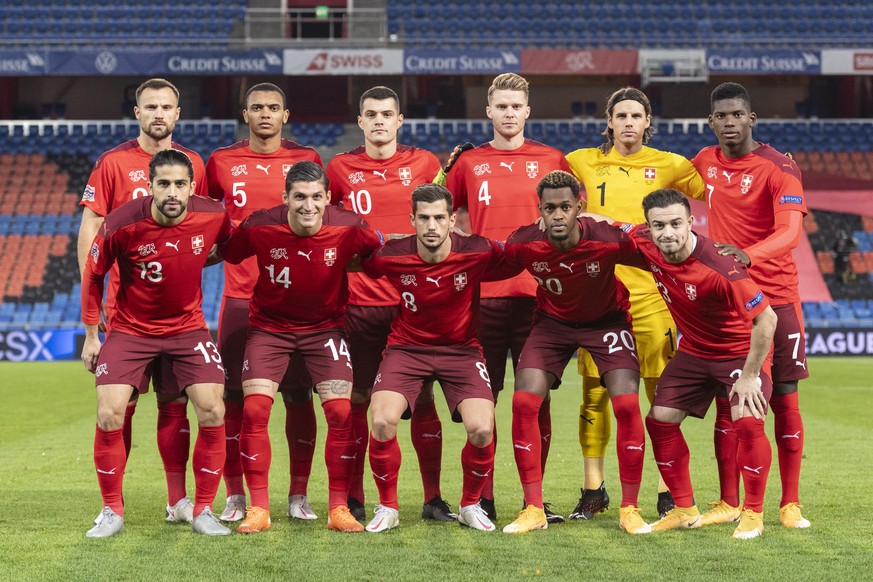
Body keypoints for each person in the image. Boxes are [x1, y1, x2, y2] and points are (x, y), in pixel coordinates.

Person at [218, 161, 383, 534]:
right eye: (299, 197)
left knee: (342, 412)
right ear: (285, 198)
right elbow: (228, 252)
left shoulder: (350, 226)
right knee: (256, 407)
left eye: (315, 197)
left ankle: (338, 507)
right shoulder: (260, 225)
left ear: (327, 198)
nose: (308, 206)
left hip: (325, 330)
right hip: (269, 329)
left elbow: (378, 255)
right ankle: (258, 508)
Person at [564, 87, 706, 520]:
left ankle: (667, 490)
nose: (628, 122)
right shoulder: (578, 161)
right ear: (609, 120)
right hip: (598, 298)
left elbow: (714, 188)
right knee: (594, 395)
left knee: (661, 395)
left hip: (652, 296)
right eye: (621, 115)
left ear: (648, 122)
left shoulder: (672, 164)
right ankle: (594, 490)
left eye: (636, 116)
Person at [605, 188, 778, 539]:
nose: (667, 233)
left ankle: (753, 514)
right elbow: (603, 222)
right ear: (648, 226)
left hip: (738, 351)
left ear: (690, 222)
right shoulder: (646, 241)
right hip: (695, 352)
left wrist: (749, 377)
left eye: (674, 224)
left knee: (747, 421)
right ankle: (684, 508)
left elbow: (767, 319)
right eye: (658, 225)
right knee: (660, 421)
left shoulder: (720, 266)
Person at [80, 149, 232, 537]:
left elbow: (230, 246)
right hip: (131, 330)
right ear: (149, 186)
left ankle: (201, 510)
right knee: (111, 412)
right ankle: (112, 510)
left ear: (191, 186)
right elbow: (94, 274)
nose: (172, 191)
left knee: (213, 408)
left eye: (180, 184)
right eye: (163, 183)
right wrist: (92, 334)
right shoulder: (121, 223)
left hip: (188, 330)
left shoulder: (213, 214)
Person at [77, 78, 209, 524]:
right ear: (137, 112)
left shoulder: (193, 163)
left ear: (178, 113)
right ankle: (112, 506)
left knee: (176, 404)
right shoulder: (112, 164)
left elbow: (202, 230)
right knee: (119, 408)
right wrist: (91, 326)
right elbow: (91, 240)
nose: (158, 113)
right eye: (150, 106)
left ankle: (177, 501)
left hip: (182, 318)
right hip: (126, 314)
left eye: (166, 106)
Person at [444, 73, 572, 522]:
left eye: (516, 106)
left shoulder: (552, 159)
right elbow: (446, 218)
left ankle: (532, 500)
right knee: (484, 400)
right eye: (501, 106)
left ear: (527, 111)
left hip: (541, 299)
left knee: (536, 401)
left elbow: (571, 218)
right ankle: (483, 498)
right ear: (489, 111)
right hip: (483, 298)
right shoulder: (468, 162)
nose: (509, 113)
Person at [325, 86, 453, 522]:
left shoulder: (426, 165)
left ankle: (433, 498)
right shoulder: (339, 169)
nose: (379, 121)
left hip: (413, 304)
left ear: (400, 120)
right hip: (359, 303)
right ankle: (357, 497)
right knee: (358, 399)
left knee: (423, 400)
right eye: (370, 114)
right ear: (359, 122)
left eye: (387, 114)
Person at [498, 171, 649, 535]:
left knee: (627, 405)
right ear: (540, 210)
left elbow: (656, 256)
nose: (558, 215)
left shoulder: (607, 240)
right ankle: (533, 508)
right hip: (552, 324)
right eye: (550, 208)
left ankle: (630, 508)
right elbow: (484, 266)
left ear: (580, 207)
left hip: (608, 322)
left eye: (566, 206)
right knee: (523, 402)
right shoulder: (524, 243)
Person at [690, 82, 810, 529]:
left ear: (751, 119)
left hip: (778, 297)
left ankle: (790, 502)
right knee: (732, 402)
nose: (729, 123)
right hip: (729, 301)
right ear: (711, 122)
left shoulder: (779, 167)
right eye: (721, 116)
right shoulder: (704, 162)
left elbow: (790, 234)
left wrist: (749, 254)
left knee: (784, 398)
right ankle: (728, 501)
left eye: (737, 115)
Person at [205, 83, 324, 523]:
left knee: (298, 397)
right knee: (234, 400)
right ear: (245, 114)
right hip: (238, 298)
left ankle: (298, 495)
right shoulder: (220, 161)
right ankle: (236, 495)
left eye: (273, 108)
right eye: (257, 108)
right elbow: (202, 213)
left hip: (296, 304)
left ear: (286, 114)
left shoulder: (307, 160)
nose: (265, 115)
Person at [360, 184, 502, 533]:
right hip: (406, 349)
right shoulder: (391, 255)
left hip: (462, 349)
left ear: (453, 220)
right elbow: (354, 259)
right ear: (412, 220)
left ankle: (470, 504)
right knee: (380, 422)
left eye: (440, 218)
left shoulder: (478, 250)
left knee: (483, 428)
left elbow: (517, 255)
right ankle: (388, 507)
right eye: (423, 218)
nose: (432, 226)